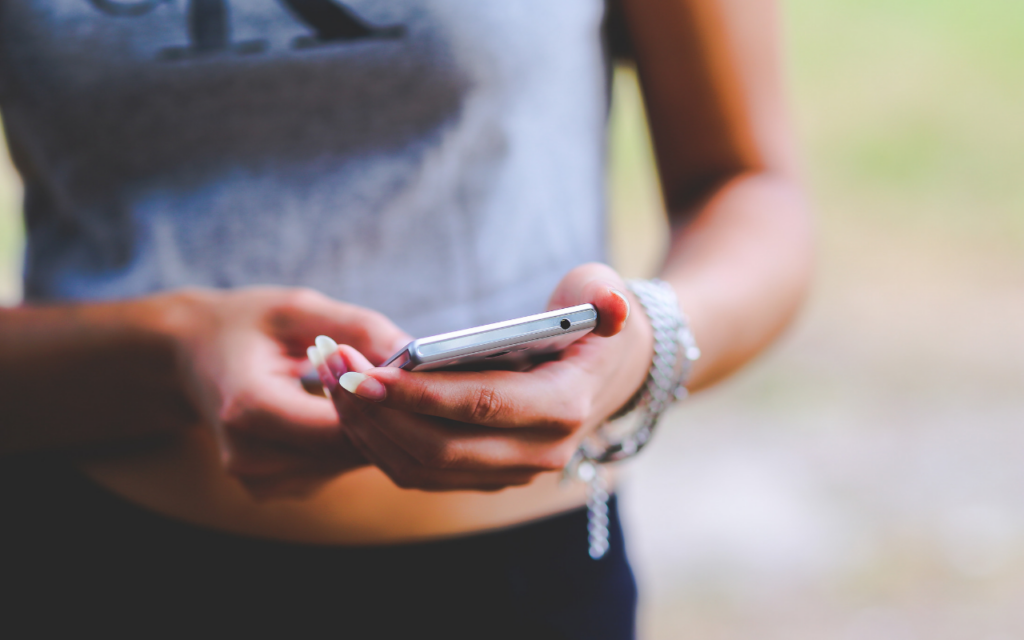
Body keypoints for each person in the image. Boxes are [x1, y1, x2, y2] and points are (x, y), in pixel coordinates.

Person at [0, 0, 811, 637]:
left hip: (525, 590)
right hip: (96, 563)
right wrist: (169, 351)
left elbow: (748, 186)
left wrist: (646, 346)